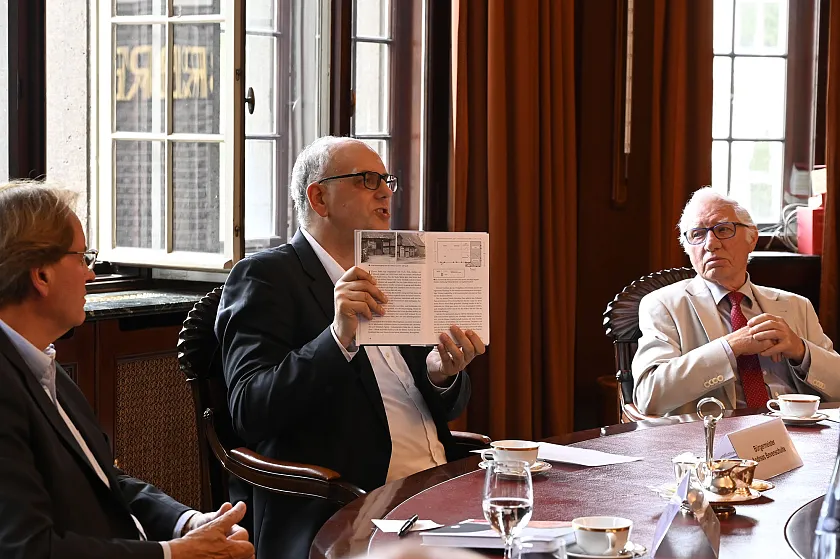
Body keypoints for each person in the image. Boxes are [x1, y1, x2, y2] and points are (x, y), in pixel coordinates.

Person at [216, 136, 486, 558]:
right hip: (345, 504)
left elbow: (443, 406)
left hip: (437, 492)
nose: (385, 191)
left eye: (386, 180)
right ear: (318, 197)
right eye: (366, 179)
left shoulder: (396, 266)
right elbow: (251, 409)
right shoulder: (267, 277)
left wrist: (441, 375)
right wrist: (338, 337)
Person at [0, 182, 254, 559]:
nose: (91, 274)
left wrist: (186, 522)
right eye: (81, 257)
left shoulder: (41, 362)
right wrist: (174, 553)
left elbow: (105, 479)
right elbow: (29, 550)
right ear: (42, 276)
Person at [632, 186, 840, 416]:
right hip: (716, 440)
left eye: (723, 229)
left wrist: (801, 351)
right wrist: (730, 347)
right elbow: (649, 395)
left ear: (752, 239)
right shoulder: (663, 305)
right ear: (688, 248)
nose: (710, 244)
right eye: (697, 234)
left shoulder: (796, 305)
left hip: (797, 434)